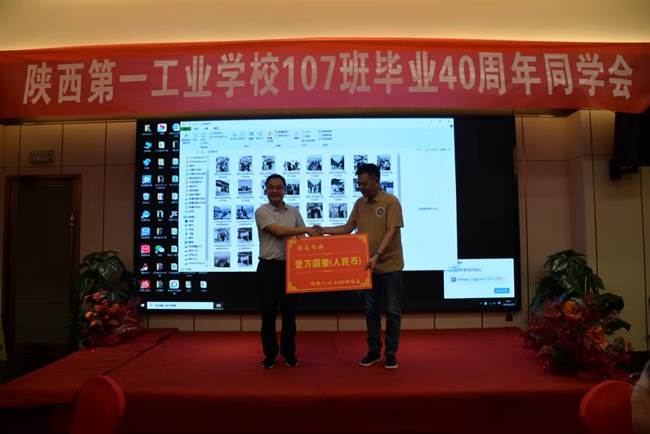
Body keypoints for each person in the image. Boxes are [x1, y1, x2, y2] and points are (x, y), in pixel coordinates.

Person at [316, 163, 404, 369]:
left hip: (390, 265)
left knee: (392, 310)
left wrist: (377, 255)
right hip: (367, 267)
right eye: (359, 184)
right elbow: (348, 228)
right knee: (371, 310)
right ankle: (373, 351)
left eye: (365, 184)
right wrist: (324, 231)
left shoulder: (391, 201)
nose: (361, 187)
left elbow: (391, 232)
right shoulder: (359, 203)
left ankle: (391, 353)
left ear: (376, 181)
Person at [255, 174, 315, 369]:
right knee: (269, 313)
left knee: (289, 314)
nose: (275, 191)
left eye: (279, 187)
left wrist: (321, 238)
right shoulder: (261, 211)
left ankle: (289, 354)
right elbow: (279, 231)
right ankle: (270, 355)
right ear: (266, 190)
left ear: (285, 189)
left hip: (291, 268)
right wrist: (306, 230)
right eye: (271, 187)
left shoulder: (294, 212)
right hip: (268, 267)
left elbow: (303, 238)